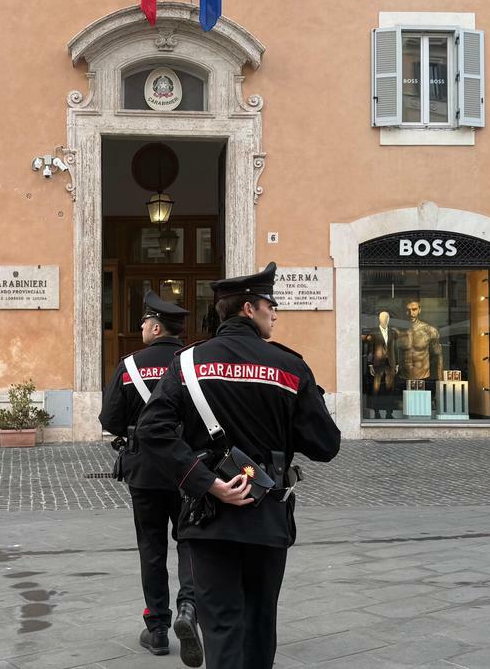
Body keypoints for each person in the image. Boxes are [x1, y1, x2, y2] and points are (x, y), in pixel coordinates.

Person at [134, 262, 341, 669]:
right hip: (267, 514)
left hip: (210, 518)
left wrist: (206, 482)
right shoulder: (290, 366)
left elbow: (151, 429)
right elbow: (326, 445)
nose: (276, 313)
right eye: (271, 305)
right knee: (261, 625)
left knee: (222, 627)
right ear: (249, 309)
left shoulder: (190, 362)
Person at [99, 291, 201, 664]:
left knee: (152, 549)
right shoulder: (193, 363)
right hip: (188, 469)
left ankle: (157, 628)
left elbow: (110, 420)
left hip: (144, 471)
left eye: (143, 322)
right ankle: (189, 607)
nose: (140, 327)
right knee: (190, 539)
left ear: (156, 327)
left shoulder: (129, 366)